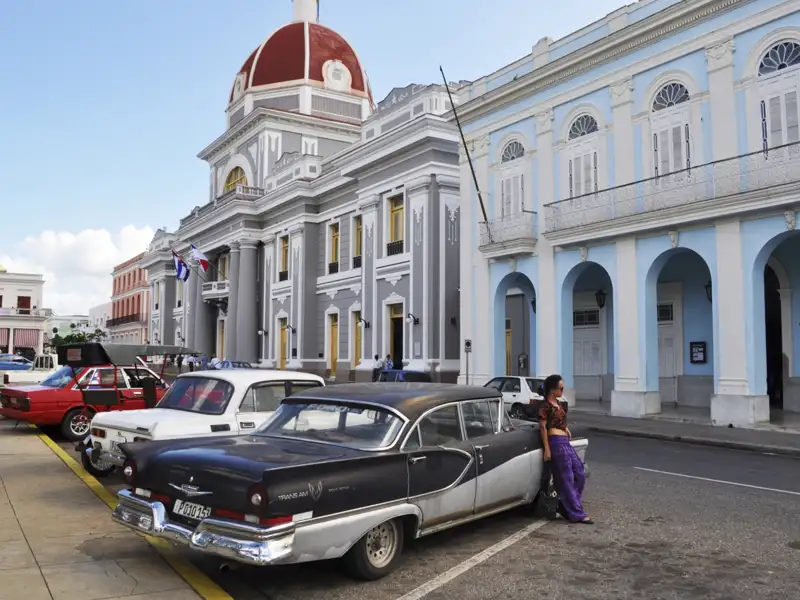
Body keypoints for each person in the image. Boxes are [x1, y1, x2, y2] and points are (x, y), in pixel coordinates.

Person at [538, 374, 593, 524]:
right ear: (552, 390)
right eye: (560, 388)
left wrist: (566, 428)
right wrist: (547, 450)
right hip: (555, 442)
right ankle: (577, 513)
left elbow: (562, 421)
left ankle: (564, 505)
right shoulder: (545, 406)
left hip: (565, 441)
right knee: (567, 478)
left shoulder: (560, 404)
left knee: (579, 473)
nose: (563, 390)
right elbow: (543, 428)